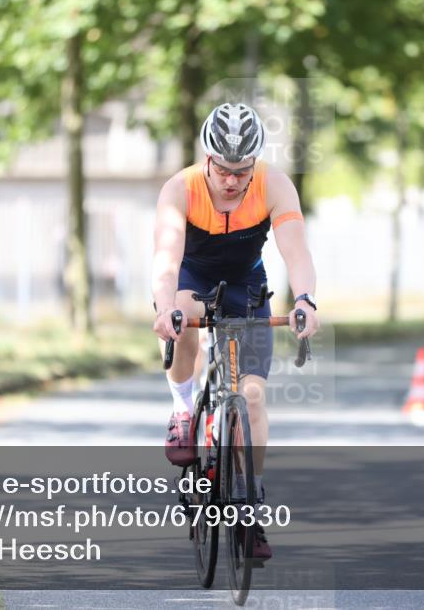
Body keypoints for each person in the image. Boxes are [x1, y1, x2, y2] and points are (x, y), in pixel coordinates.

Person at [151, 102, 320, 560]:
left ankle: (251, 499)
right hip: (193, 279)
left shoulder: (274, 185)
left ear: (254, 164)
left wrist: (304, 300)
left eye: (241, 171)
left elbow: (296, 253)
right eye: (222, 169)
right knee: (184, 318)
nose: (231, 180)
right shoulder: (180, 189)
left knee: (253, 397)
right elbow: (166, 261)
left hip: (248, 284)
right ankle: (184, 410)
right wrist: (166, 308)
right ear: (207, 159)